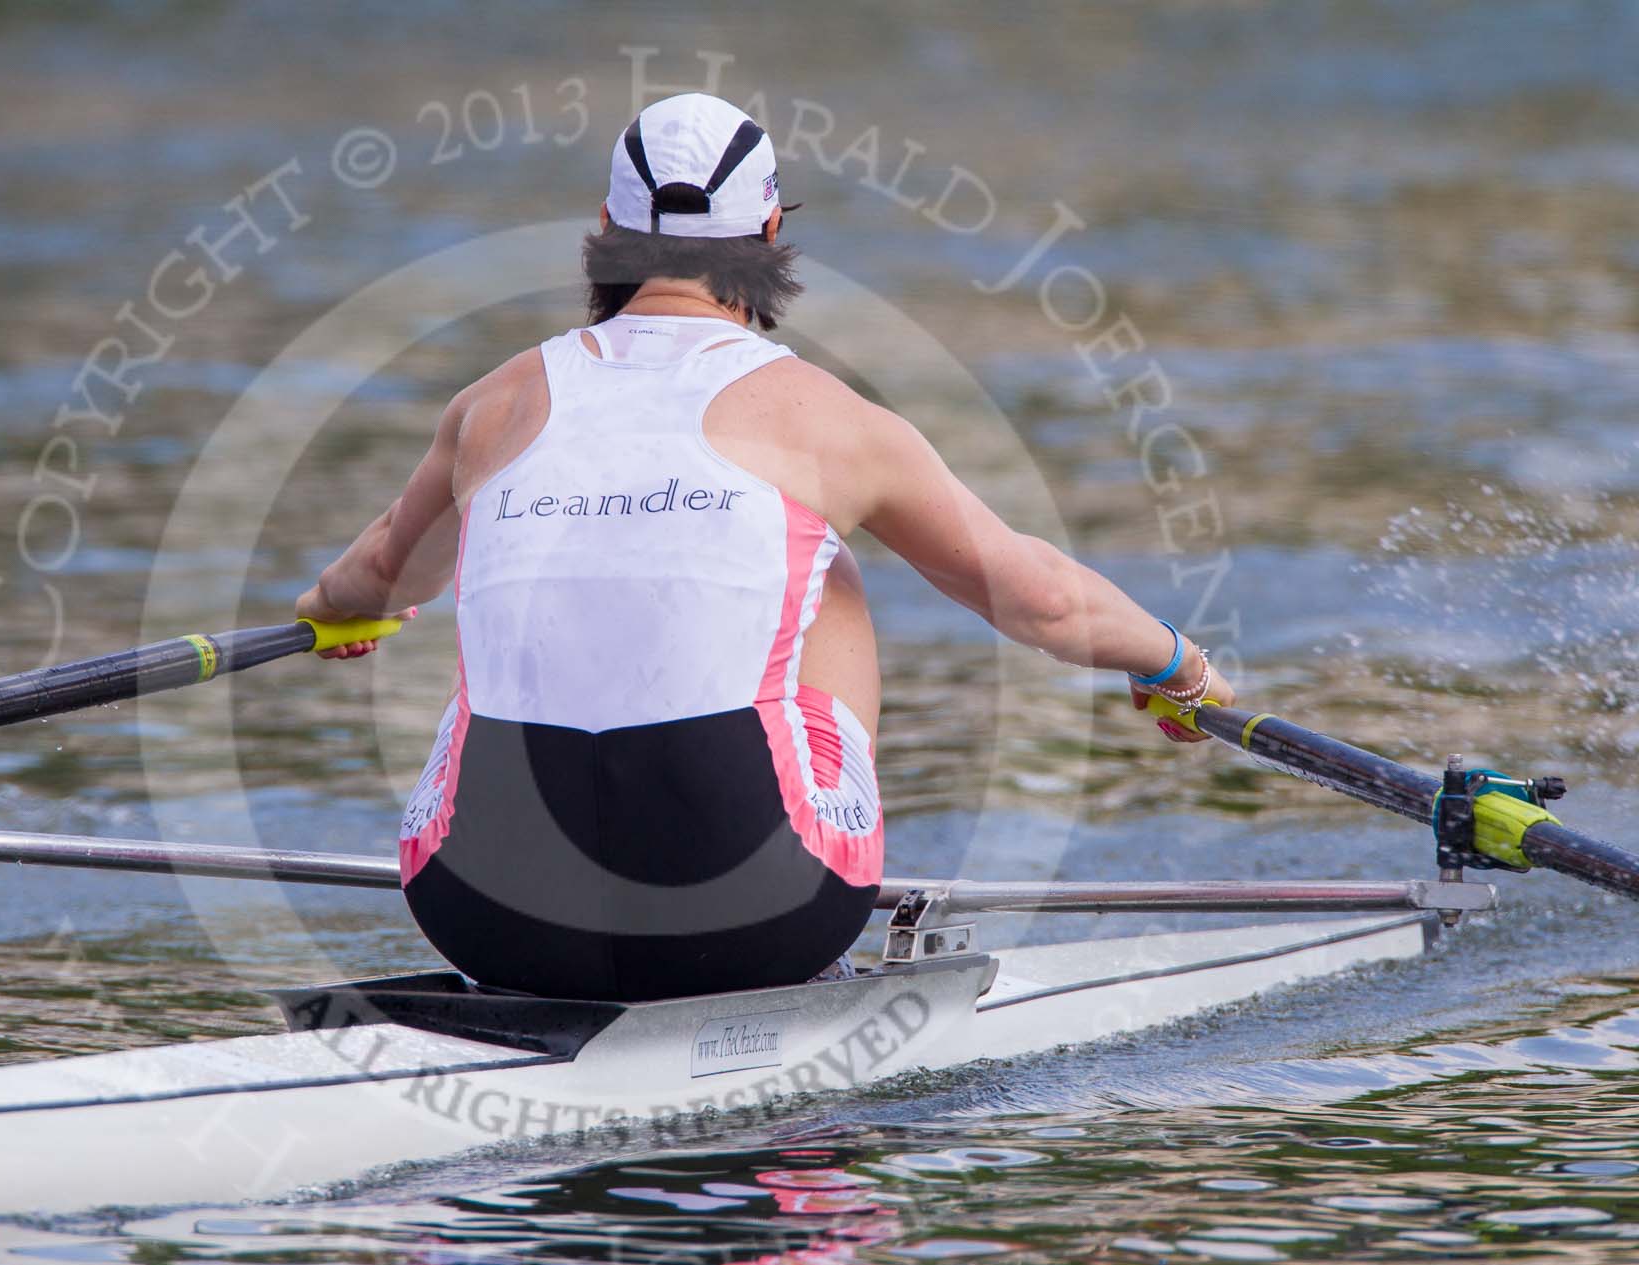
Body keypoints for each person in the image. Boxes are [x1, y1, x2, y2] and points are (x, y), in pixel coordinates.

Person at [297, 92, 1234, 1002]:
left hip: (485, 914)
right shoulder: (826, 418)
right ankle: (794, 949)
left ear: (604, 228)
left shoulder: (492, 405)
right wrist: (1176, 663)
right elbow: (1045, 604)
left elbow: (381, 573)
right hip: (753, 916)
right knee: (829, 573)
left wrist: (333, 613)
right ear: (773, 232)